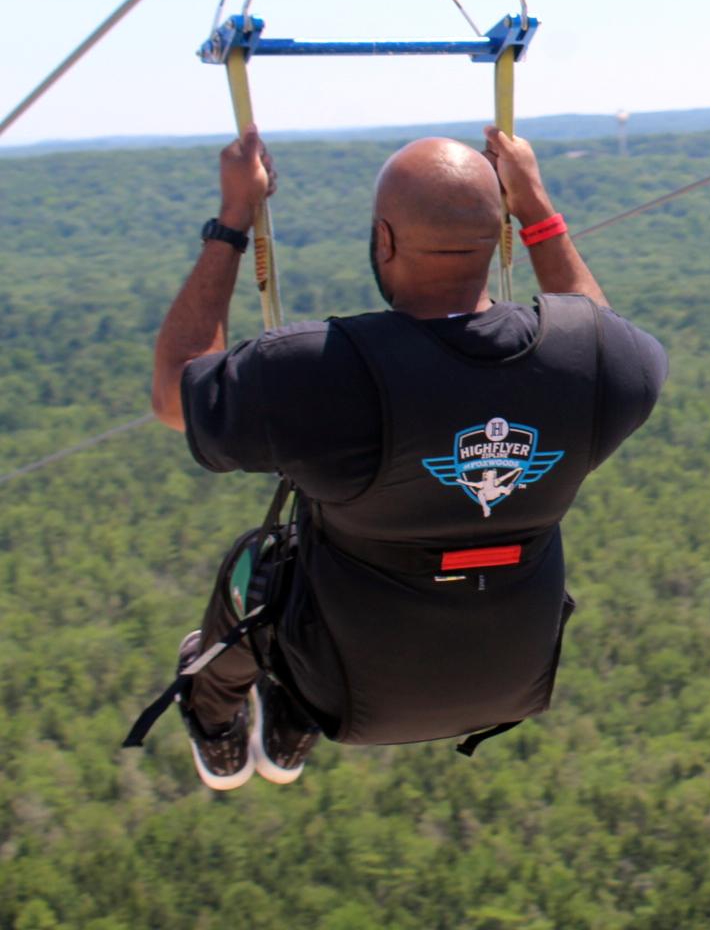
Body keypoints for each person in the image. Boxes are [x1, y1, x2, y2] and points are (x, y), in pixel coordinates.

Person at [138, 126, 666, 789]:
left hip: (342, 686)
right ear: (499, 234)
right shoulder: (594, 364)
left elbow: (174, 393)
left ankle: (217, 718)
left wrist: (232, 219)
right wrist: (534, 203)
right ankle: (288, 720)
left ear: (383, 240)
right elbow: (597, 331)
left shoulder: (322, 372)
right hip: (504, 678)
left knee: (258, 564)